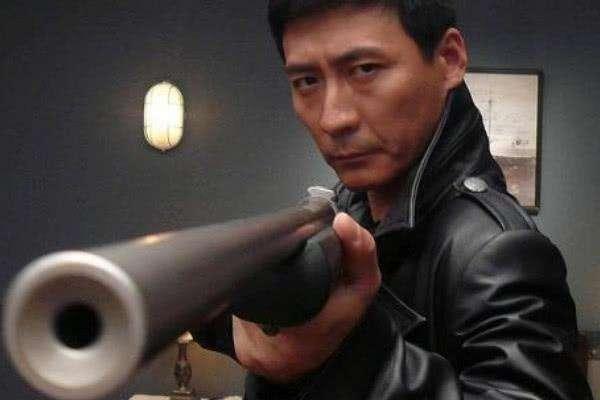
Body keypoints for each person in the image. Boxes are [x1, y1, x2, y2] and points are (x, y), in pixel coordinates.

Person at [196, 1, 593, 398]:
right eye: (307, 81)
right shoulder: (349, 211)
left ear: (449, 60)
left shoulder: (501, 251)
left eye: (365, 69)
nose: (333, 119)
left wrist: (340, 356)